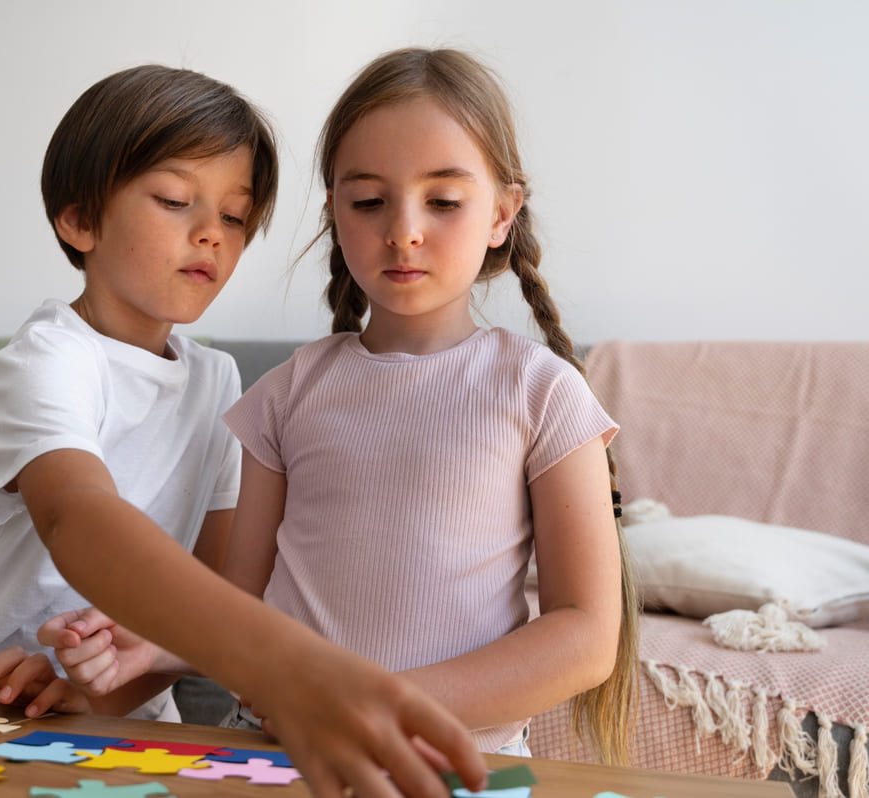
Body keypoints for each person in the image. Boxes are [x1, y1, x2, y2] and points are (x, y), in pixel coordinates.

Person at [0, 62, 489, 798]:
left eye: (234, 217)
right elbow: (79, 517)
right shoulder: (45, 361)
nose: (210, 234)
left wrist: (99, 690)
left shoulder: (215, 380)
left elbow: (220, 581)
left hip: (116, 720)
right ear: (79, 219)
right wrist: (284, 660)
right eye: (175, 200)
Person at [41, 47, 641, 766]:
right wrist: (146, 645)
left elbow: (584, 637)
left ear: (501, 214)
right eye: (368, 202)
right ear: (333, 214)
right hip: (276, 759)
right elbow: (241, 601)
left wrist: (370, 700)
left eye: (443, 201)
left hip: (455, 769)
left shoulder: (541, 391)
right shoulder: (287, 395)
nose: (403, 230)